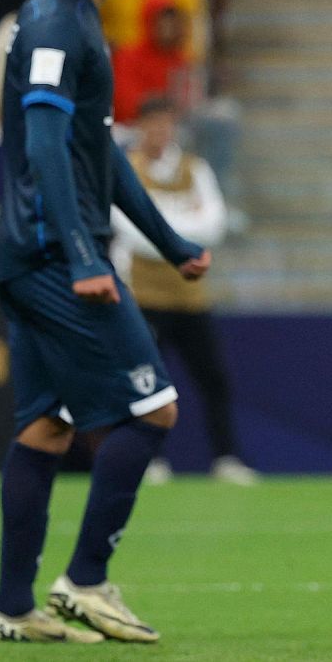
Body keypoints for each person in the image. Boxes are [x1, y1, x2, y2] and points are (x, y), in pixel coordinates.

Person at [0, 0, 212, 644]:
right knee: (155, 411)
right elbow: (45, 141)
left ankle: (13, 608)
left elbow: (101, 159)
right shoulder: (54, 20)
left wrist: (171, 242)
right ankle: (84, 581)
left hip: (39, 254)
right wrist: (84, 254)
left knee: (47, 426)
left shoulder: (82, 23)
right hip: (55, 255)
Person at [109, 97, 256, 486]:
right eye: (152, 124)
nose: (160, 132)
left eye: (166, 124)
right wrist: (180, 231)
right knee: (147, 383)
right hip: (144, 296)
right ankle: (150, 459)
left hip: (190, 296)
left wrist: (159, 226)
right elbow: (126, 228)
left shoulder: (194, 168)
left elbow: (214, 224)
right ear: (140, 127)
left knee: (214, 379)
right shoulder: (127, 168)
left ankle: (226, 458)